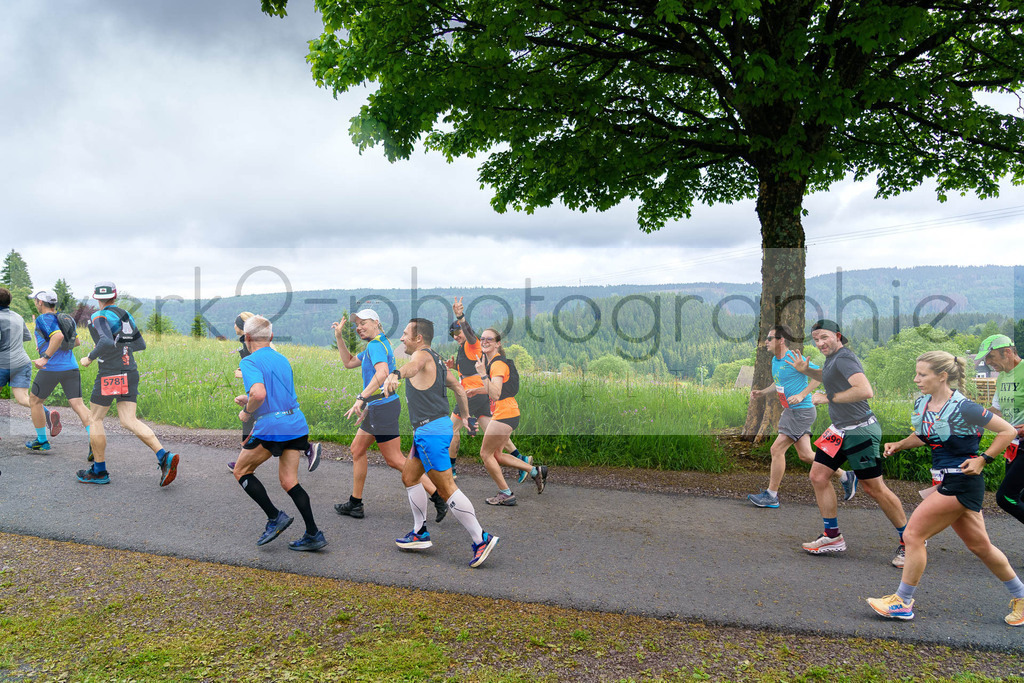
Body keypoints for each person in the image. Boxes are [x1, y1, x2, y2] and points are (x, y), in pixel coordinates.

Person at [867, 351, 1023, 626]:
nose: (916, 379)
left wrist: (983, 459)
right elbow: (925, 435)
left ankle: (902, 602)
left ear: (942, 376)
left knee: (914, 535)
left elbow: (1007, 431)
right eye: (916, 374)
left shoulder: (965, 407)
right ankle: (1022, 598)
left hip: (962, 481)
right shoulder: (924, 403)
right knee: (980, 546)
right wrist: (900, 444)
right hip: (944, 480)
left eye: (923, 375)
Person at [789, 319, 909, 565]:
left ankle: (910, 541)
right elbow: (827, 376)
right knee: (818, 476)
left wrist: (827, 398)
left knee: (874, 488)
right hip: (839, 430)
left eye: (825, 337)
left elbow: (865, 390)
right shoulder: (834, 359)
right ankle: (832, 536)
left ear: (838, 336)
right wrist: (806, 371)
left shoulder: (844, 358)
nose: (820, 343)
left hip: (860, 431)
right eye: (816, 339)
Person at [381, 317, 498, 567]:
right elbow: (457, 387)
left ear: (418, 338)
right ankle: (419, 532)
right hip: (435, 428)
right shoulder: (437, 360)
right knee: (410, 477)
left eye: (405, 334)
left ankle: (481, 539)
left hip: (430, 431)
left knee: (446, 488)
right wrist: (465, 416)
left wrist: (395, 373)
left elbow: (412, 368)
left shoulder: (421, 357)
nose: (401, 338)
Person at [336, 309, 447, 522]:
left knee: (395, 459)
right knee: (357, 449)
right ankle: (355, 503)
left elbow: (383, 373)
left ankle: (438, 495)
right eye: (356, 324)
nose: (359, 327)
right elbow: (349, 362)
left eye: (363, 322)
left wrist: (362, 397)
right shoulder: (379, 343)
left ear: (376, 322)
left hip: (382, 408)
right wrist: (340, 337)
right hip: (380, 406)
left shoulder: (375, 345)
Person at [231, 315, 327, 551]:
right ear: (271, 337)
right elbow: (272, 395)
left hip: (273, 428)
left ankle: (275, 518)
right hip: (296, 424)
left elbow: (260, 394)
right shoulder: (282, 359)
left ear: (247, 337)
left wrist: (246, 409)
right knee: (289, 481)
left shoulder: (249, 362)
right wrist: (251, 398)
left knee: (241, 470)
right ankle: (313, 534)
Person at [77, 282, 179, 486]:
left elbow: (105, 342)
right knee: (128, 420)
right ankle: (163, 456)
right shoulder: (125, 315)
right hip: (130, 370)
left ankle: (99, 471)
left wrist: (89, 357)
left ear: (96, 298)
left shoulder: (99, 316)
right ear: (115, 296)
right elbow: (140, 344)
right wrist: (122, 347)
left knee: (94, 419)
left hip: (110, 374)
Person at [747, 324, 856, 508]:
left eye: (769, 338)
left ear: (781, 340)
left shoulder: (792, 358)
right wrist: (763, 392)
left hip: (801, 412)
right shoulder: (776, 360)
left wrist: (802, 394)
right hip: (792, 411)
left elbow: (820, 376)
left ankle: (772, 495)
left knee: (776, 449)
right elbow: (779, 382)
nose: (765, 341)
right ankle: (846, 475)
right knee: (806, 455)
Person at [445, 296, 529, 482]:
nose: (456, 336)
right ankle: (521, 459)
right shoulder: (464, 349)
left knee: (451, 429)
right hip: (480, 394)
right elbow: (468, 371)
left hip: (472, 395)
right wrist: (453, 367)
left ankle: (450, 469)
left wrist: (461, 316)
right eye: (453, 335)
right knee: (492, 430)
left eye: (458, 333)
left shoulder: (471, 343)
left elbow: (468, 333)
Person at [226, 312, 320, 473]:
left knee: (254, 420)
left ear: (241, 327)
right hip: (261, 389)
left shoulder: (256, 344)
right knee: (252, 421)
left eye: (234, 323)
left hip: (265, 391)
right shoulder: (251, 341)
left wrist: (243, 375)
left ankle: (245, 462)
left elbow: (265, 371)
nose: (233, 326)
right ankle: (245, 460)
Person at [471, 328, 547, 505]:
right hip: (509, 412)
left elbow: (496, 394)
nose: (484, 341)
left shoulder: (497, 364)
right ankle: (535, 472)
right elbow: (497, 389)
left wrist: (482, 373)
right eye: (482, 338)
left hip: (504, 414)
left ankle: (506, 493)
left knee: (485, 454)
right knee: (497, 455)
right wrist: (477, 390)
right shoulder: (495, 363)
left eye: (489, 339)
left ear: (498, 343)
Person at [25, 290, 92, 452]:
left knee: (35, 401)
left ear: (40, 302)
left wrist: (45, 357)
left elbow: (58, 337)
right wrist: (45, 345)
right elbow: (75, 342)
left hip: (52, 368)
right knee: (78, 405)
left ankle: (42, 441)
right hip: (71, 367)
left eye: (35, 300)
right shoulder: (65, 318)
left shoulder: (43, 318)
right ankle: (95, 442)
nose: (35, 303)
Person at [976, 334, 1024, 525]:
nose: (987, 363)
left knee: (1006, 497)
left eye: (991, 357)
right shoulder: (1003, 377)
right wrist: (969, 416)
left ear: (1007, 352)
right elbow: (996, 411)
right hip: (1014, 445)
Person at [0, 287, 59, 441]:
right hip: (22, 362)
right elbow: (26, 337)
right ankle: (47, 413)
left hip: (3, 363)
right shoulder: (18, 317)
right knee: (23, 398)